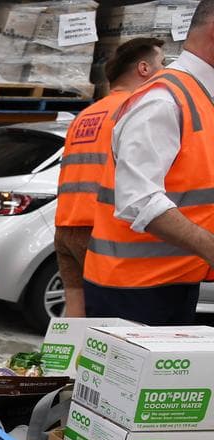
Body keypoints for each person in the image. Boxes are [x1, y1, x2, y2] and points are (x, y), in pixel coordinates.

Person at [84, 2, 214, 324]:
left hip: (171, 283)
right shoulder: (164, 99)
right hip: (134, 294)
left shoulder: (198, 96)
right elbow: (138, 199)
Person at [54, 37, 165, 318]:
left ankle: (64, 363)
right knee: (110, 327)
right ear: (144, 69)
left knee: (75, 318)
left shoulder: (86, 114)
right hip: (102, 232)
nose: (165, 70)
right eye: (162, 63)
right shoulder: (136, 110)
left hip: (66, 227)